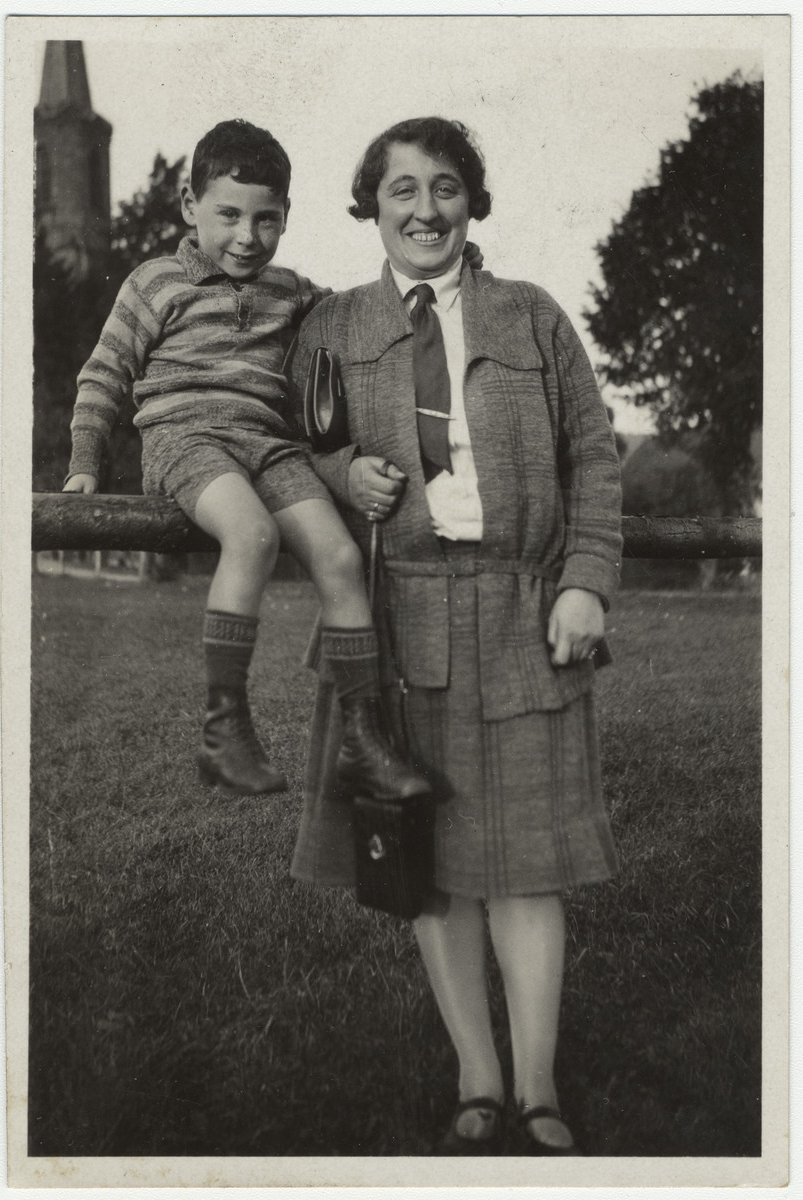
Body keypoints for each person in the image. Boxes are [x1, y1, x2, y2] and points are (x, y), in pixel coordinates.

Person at [288, 117, 623, 1156]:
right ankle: (476, 1078)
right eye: (401, 191)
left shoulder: (532, 319)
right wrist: (345, 477)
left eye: (444, 188)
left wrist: (585, 584)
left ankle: (536, 1087)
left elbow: (596, 460)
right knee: (429, 865)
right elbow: (290, 454)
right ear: (371, 207)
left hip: (527, 611)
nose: (424, 210)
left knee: (525, 867)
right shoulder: (331, 327)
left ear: (472, 201)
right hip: (402, 622)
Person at [62, 118, 428, 804]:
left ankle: (361, 740)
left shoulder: (291, 292)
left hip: (269, 446)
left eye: (267, 220)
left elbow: (354, 321)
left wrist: (420, 286)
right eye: (228, 214)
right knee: (253, 535)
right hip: (186, 438)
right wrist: (87, 458)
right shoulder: (154, 283)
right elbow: (102, 375)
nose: (246, 236)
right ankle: (222, 729)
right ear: (188, 204)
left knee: (342, 558)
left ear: (286, 219)